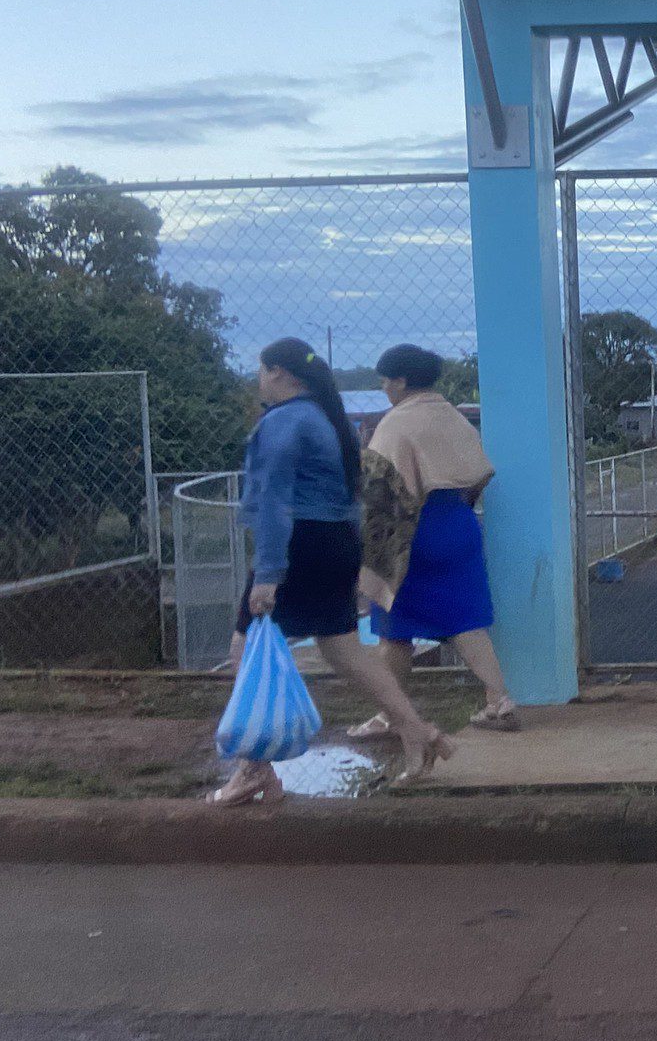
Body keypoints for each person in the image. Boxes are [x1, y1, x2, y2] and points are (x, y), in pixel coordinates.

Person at [207, 337, 454, 805]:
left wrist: (267, 574)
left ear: (280, 373)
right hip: (335, 543)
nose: (259, 379)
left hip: (298, 546)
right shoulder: (325, 419)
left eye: (262, 371)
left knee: (244, 648)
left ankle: (253, 769)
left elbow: (276, 501)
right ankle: (417, 732)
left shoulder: (283, 423)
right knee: (345, 651)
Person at [349, 343, 519, 736]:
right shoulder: (453, 418)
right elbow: (479, 473)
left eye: (386, 381)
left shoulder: (395, 424)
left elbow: (382, 493)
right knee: (466, 623)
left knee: (395, 632)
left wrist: (372, 554)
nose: (384, 388)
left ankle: (389, 716)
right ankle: (499, 700)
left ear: (402, 381)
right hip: (458, 526)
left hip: (412, 536)